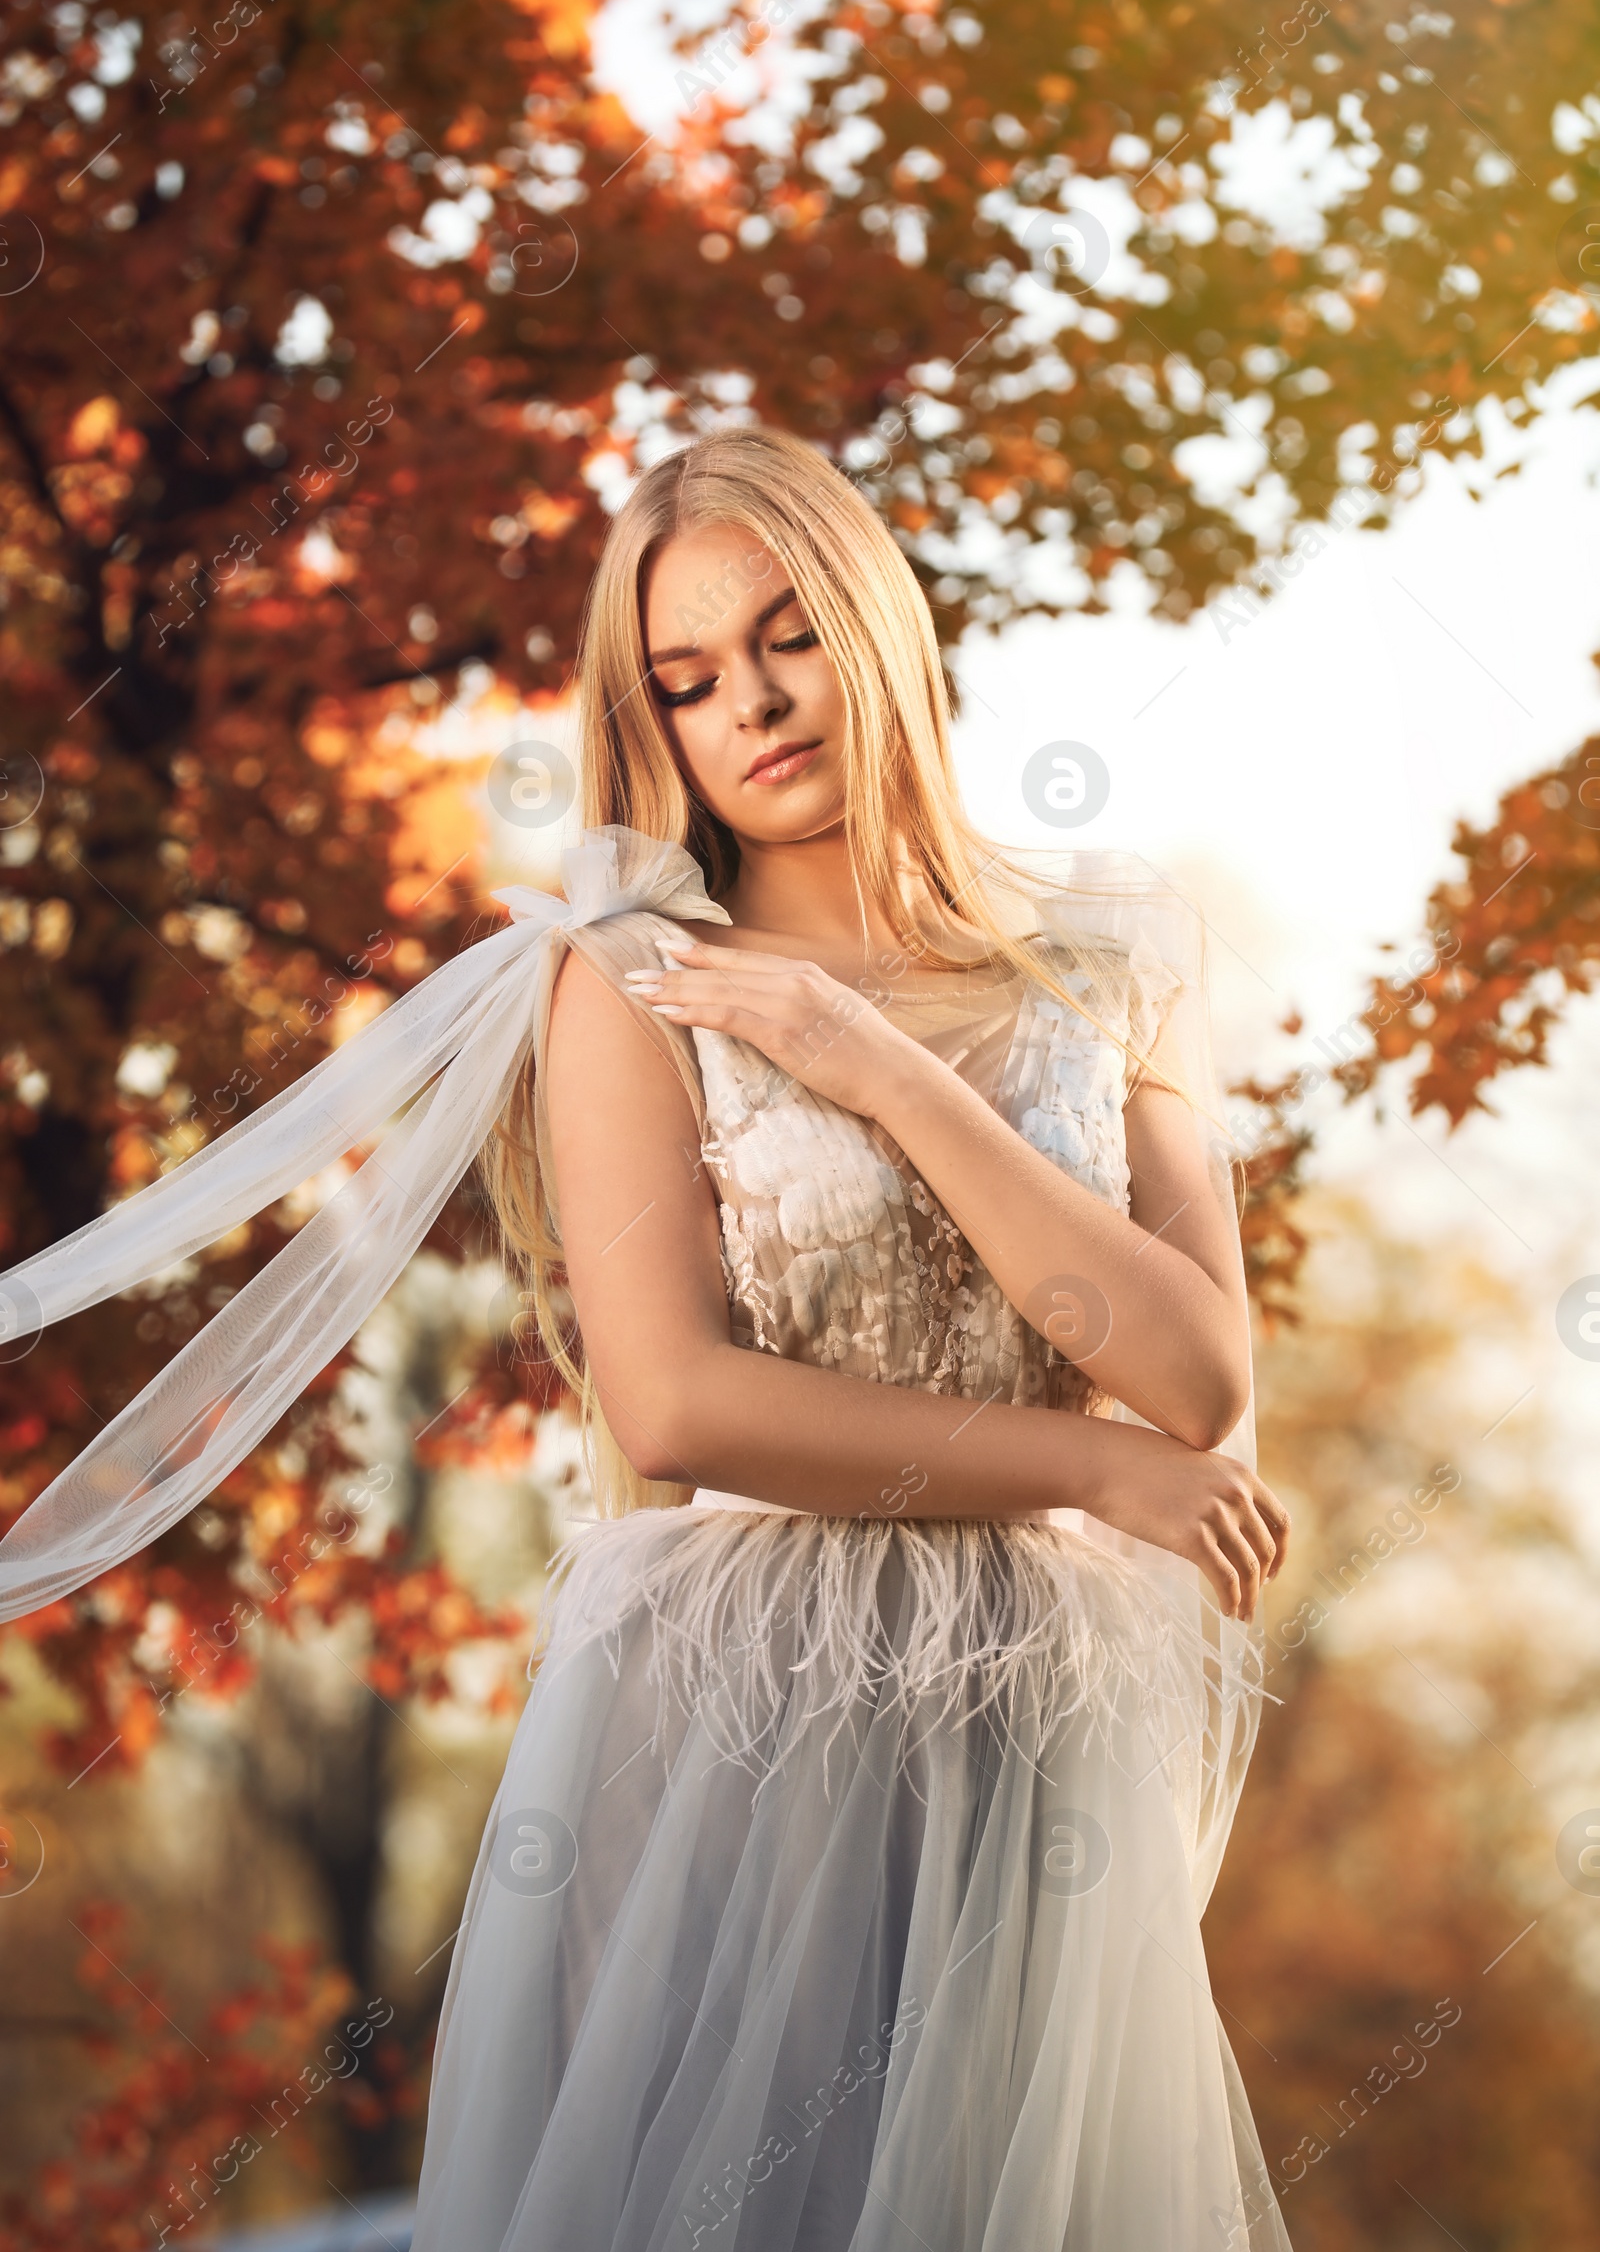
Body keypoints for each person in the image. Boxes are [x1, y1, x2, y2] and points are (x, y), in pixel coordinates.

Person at [0, 425, 1292, 2249]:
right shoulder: (626, 981)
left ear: (878, 626)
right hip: (748, 1709)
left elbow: (1199, 1374)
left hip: (1034, 1717)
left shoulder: (1108, 962)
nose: (752, 706)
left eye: (787, 638)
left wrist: (884, 1071)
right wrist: (1090, 1466)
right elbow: (678, 1404)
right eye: (687, 682)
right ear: (651, 720)